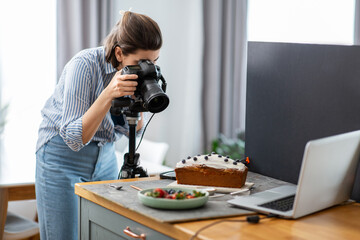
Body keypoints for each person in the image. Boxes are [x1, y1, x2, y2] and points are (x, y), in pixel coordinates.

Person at [35, 11, 162, 240]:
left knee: (104, 232)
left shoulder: (136, 74)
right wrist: (109, 94)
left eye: (153, 62)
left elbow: (128, 129)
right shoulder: (84, 65)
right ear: (119, 53)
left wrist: (140, 99)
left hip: (105, 156)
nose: (147, 67)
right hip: (61, 156)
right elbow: (74, 138)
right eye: (140, 63)